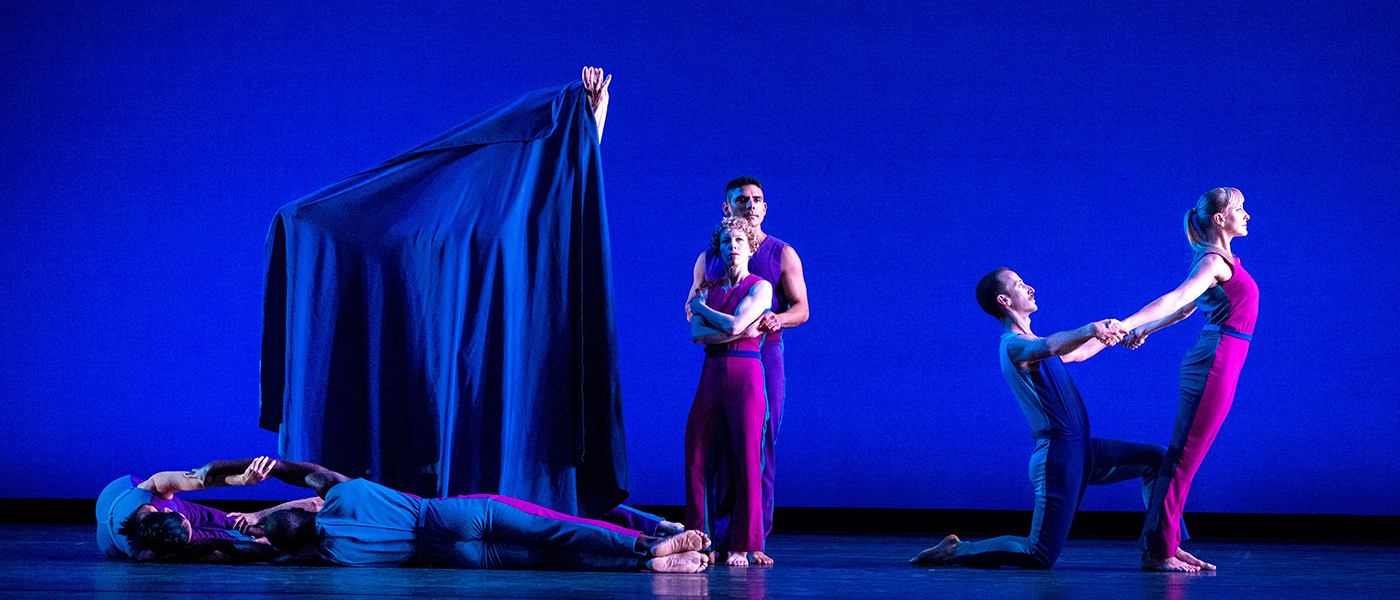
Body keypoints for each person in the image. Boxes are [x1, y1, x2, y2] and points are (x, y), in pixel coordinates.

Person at [910, 269, 1213, 571]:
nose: (1029, 287)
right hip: (1058, 459)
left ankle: (1163, 546)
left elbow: (1082, 351)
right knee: (1038, 555)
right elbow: (1054, 345)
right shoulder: (1015, 346)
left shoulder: (1035, 344)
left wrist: (1158, 323)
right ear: (1004, 300)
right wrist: (1091, 328)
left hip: (1084, 451)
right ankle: (956, 550)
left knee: (1157, 460)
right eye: (1019, 285)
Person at [191, 457, 708, 572]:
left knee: (548, 560)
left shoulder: (324, 556)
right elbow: (307, 475)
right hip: (452, 517)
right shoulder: (342, 499)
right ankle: (646, 544)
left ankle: (647, 564)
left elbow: (261, 553)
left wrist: (244, 537)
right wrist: (264, 469)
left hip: (446, 556)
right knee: (558, 530)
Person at [1120, 187, 1256, 572]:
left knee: (1187, 458)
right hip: (1214, 360)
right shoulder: (1213, 261)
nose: (1247, 215)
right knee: (1183, 457)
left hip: (1224, 359)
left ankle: (1168, 542)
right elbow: (1177, 297)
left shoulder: (1220, 260)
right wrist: (1131, 323)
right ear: (1219, 218)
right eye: (1240, 209)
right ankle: (1159, 549)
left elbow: (1182, 312)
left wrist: (1147, 331)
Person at [685, 176, 809, 565]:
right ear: (727, 208)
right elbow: (691, 311)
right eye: (742, 200)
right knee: (715, 445)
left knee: (760, 442)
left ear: (765, 207)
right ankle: (717, 534)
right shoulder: (711, 257)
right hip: (720, 357)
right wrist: (722, 326)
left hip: (762, 355)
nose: (750, 205)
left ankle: (753, 536)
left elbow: (801, 308)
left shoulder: (781, 253)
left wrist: (778, 320)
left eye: (757, 200)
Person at [685, 216, 774, 566]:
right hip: (712, 369)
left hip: (746, 373)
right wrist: (735, 329)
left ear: (750, 247)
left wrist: (703, 310)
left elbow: (733, 322)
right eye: (726, 242)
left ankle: (744, 543)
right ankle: (697, 538)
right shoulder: (710, 287)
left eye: (739, 240)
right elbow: (697, 334)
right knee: (696, 452)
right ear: (719, 249)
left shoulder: (760, 286)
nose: (732, 246)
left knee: (747, 458)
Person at [96, 456, 321, 561]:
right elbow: (217, 549)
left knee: (232, 521)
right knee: (219, 542)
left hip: (115, 492)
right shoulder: (145, 552)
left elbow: (204, 477)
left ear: (168, 510)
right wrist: (260, 550)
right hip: (109, 540)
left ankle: (291, 528)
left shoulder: (153, 488)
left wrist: (243, 479)